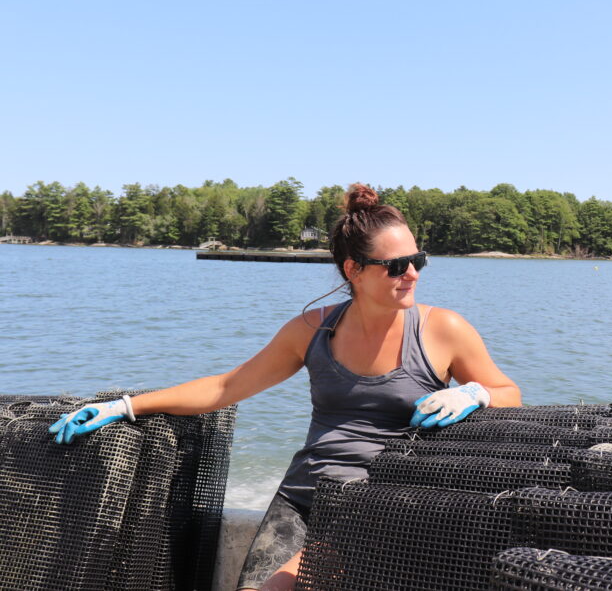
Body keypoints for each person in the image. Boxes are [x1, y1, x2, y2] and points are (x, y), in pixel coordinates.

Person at [47, 183, 522, 591]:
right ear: (353, 270)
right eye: (396, 266)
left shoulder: (443, 330)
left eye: (417, 259)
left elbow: (508, 393)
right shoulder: (310, 330)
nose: (413, 274)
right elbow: (227, 386)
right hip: (303, 496)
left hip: (382, 502)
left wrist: (474, 392)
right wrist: (126, 405)